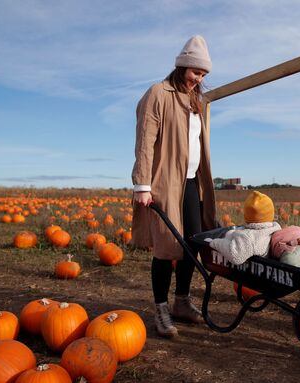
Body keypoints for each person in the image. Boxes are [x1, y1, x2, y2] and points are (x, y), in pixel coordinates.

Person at [131, 35, 216, 338]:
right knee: (167, 248)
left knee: (193, 243)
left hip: (192, 182)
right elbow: (145, 141)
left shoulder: (197, 101)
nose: (198, 79)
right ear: (182, 67)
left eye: (204, 74)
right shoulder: (158, 93)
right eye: (196, 72)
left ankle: (182, 301)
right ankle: (160, 308)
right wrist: (142, 184)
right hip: (164, 183)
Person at [207, 191, 281, 265]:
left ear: (246, 215)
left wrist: (214, 243)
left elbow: (235, 255)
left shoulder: (249, 237)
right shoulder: (275, 228)